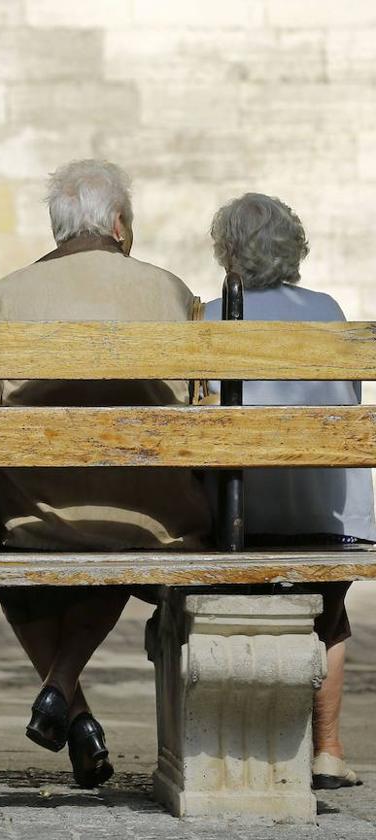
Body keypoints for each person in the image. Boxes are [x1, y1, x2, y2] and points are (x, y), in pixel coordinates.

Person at [0, 160, 212, 788]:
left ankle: (70, 704)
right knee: (121, 515)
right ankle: (63, 697)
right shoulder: (168, 290)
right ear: (116, 223)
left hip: (39, 515)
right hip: (150, 516)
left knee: (30, 539)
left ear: (57, 227)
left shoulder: (8, 293)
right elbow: (202, 401)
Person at [204, 193, 372, 790]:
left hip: (236, 520)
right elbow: (350, 404)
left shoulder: (207, 314)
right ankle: (326, 750)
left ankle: (238, 750)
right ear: (293, 247)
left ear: (227, 252)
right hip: (333, 517)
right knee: (327, 613)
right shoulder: (329, 310)